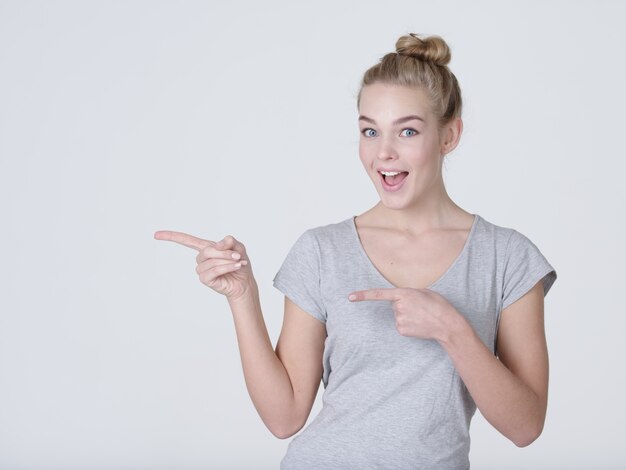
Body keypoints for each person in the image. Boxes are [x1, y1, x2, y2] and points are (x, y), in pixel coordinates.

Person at [154, 32, 557, 469]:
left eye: (407, 130)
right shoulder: (321, 251)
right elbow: (284, 417)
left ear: (449, 135)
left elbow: (526, 426)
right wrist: (242, 297)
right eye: (370, 130)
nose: (383, 153)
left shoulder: (507, 257)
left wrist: (453, 331)